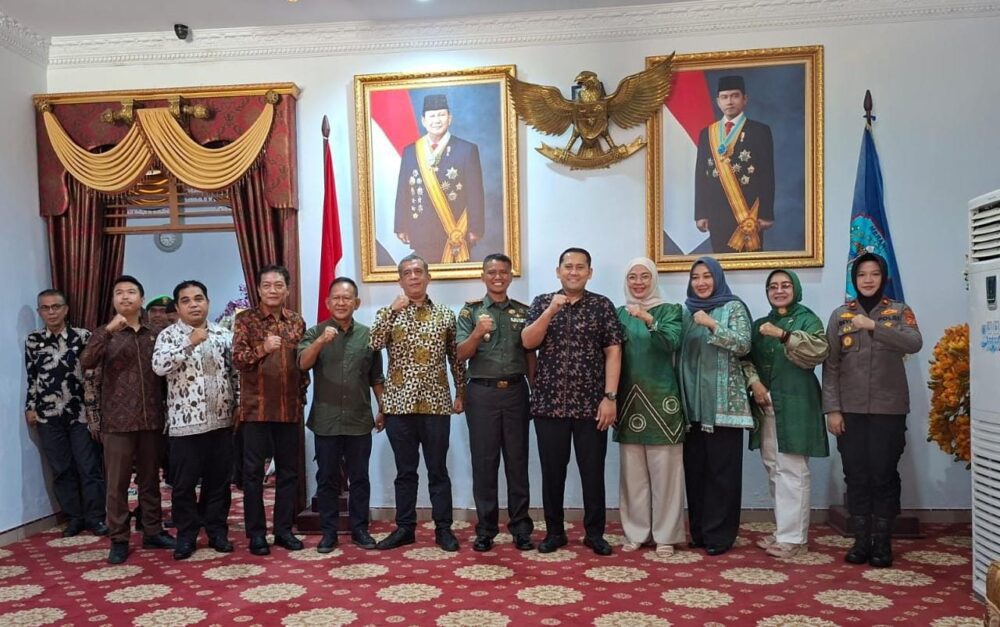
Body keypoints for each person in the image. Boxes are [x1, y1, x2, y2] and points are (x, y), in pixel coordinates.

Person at [822, 252, 922, 568]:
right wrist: (832, 409)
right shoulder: (840, 315)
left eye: (874, 274)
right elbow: (831, 365)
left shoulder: (899, 311)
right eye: (862, 274)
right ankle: (861, 540)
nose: (867, 280)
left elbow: (914, 343)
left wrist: (874, 326)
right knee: (856, 475)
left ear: (883, 277)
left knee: (884, 474)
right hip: (850, 410)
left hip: (888, 410)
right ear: (854, 279)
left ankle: (882, 542)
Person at [522, 247, 623, 556]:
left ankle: (595, 534)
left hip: (591, 406)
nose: (574, 272)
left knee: (592, 472)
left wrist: (610, 397)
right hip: (549, 405)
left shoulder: (602, 306)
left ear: (589, 273)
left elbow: (613, 351)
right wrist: (550, 312)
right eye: (568, 266)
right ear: (558, 271)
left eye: (580, 267)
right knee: (553, 473)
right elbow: (527, 342)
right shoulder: (542, 302)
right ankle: (555, 532)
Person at [369, 254, 466, 551]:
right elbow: (372, 345)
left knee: (438, 471)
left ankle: (443, 529)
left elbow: (456, 358)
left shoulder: (445, 315)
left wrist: (460, 392)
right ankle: (405, 528)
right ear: (400, 280)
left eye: (418, 271)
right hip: (399, 405)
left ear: (428, 277)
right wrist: (391, 312)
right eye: (407, 273)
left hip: (436, 404)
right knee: (405, 472)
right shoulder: (388, 312)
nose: (413, 276)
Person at [81, 275, 175, 564]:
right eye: (119, 292)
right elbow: (86, 362)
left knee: (150, 480)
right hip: (117, 421)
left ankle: (152, 530)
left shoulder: (156, 332)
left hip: (151, 419)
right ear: (113, 300)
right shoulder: (104, 333)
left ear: (141, 298)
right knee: (117, 484)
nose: (125, 297)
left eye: (131, 292)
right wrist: (108, 331)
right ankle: (119, 538)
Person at [743, 269, 829, 559]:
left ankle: (794, 538)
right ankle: (783, 530)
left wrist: (784, 335)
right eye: (773, 286)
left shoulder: (808, 319)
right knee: (773, 467)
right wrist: (754, 383)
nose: (779, 291)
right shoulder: (760, 325)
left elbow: (819, 351)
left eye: (785, 285)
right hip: (767, 405)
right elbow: (746, 359)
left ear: (796, 289)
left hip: (796, 404)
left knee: (793, 470)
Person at [152, 280, 238, 560]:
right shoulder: (168, 336)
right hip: (184, 426)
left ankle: (216, 532)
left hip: (221, 422)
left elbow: (235, 373)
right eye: (186, 301)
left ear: (208, 303)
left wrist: (238, 404)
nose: (193, 305)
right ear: (177, 308)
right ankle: (186, 536)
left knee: (218, 483)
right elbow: (159, 367)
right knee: (184, 486)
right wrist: (189, 343)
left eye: (198, 299)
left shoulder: (223, 334)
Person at [298, 277, 385, 553]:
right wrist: (320, 342)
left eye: (347, 298)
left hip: (359, 418)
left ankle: (360, 529)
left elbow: (376, 378)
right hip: (326, 420)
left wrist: (383, 408)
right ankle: (329, 532)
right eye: (336, 297)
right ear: (327, 302)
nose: (341, 302)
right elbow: (302, 364)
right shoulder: (315, 332)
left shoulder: (368, 336)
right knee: (327, 479)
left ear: (356, 303)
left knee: (360, 478)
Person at [456, 254, 535, 552]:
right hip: (482, 394)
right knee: (484, 463)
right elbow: (461, 354)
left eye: (503, 272)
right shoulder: (470, 312)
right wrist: (477, 333)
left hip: (516, 392)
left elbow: (530, 355)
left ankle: (521, 528)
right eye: (492, 272)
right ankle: (486, 529)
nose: (498, 277)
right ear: (483, 276)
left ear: (511, 276)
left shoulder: (523, 312)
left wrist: (535, 391)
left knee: (517, 462)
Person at [232, 264, 308, 556]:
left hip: (288, 408)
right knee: (253, 474)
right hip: (257, 409)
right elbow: (238, 360)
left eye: (278, 285)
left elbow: (302, 366)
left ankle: (283, 530)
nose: (273, 290)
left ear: (287, 290)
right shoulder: (246, 320)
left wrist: (301, 397)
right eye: (267, 285)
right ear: (258, 289)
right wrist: (262, 348)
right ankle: (256, 534)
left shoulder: (296, 321)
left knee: (288, 473)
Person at [679, 257, 753, 556]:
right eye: (695, 277)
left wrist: (712, 325)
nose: (701, 282)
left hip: (724, 408)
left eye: (707, 276)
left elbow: (744, 344)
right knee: (695, 472)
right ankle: (699, 531)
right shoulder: (686, 312)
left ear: (718, 278)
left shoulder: (733, 307)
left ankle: (720, 535)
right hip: (692, 408)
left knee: (722, 474)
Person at [614, 258, 686, 557]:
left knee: (666, 475)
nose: (639, 282)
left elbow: (671, 342)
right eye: (632, 277)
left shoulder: (670, 310)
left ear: (654, 279)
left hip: (662, 400)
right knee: (632, 476)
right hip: (628, 401)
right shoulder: (619, 313)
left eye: (645, 276)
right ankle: (636, 532)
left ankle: (666, 535)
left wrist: (647, 318)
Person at [24, 289, 107, 538]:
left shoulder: (83, 337)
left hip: (79, 413)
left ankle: (96, 517)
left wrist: (96, 411)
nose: (51, 312)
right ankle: (74, 517)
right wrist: (30, 406)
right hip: (48, 415)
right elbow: (32, 376)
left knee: (88, 466)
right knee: (61, 469)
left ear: (66, 309)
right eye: (45, 308)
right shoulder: (33, 341)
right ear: (40, 311)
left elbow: (93, 376)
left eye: (56, 307)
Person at [394, 94, 485, 264]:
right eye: (432, 116)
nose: (437, 120)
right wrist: (401, 225)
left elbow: (475, 193)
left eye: (441, 115)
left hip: (455, 231)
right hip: (421, 231)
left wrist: (476, 228)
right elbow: (403, 190)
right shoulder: (411, 151)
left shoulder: (467, 150)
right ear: (423, 120)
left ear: (450, 118)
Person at [694, 75, 775, 254]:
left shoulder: (759, 131)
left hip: (749, 212)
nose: (729, 101)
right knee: (720, 261)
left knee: (751, 263)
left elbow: (767, 175)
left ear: (745, 99)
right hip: (716, 211)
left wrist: (766, 213)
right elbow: (700, 175)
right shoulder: (707, 133)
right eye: (724, 97)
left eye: (735, 96)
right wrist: (701, 213)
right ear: (718, 101)